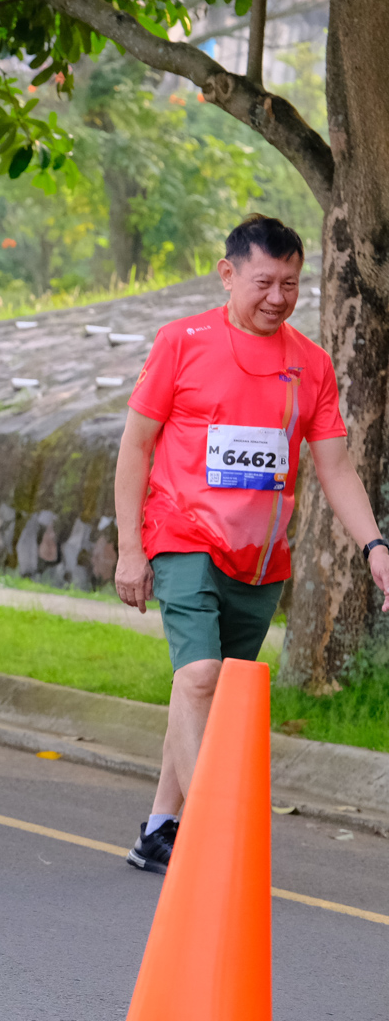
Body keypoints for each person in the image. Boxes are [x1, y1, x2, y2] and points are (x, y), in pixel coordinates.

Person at [114, 215, 389, 874]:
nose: (277, 296)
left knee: (204, 691)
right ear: (228, 274)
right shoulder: (181, 342)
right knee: (199, 676)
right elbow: (136, 446)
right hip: (183, 534)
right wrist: (130, 548)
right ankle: (209, 838)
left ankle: (158, 828)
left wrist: (374, 546)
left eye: (290, 284)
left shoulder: (311, 364)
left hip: (260, 558)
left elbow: (336, 468)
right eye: (264, 281)